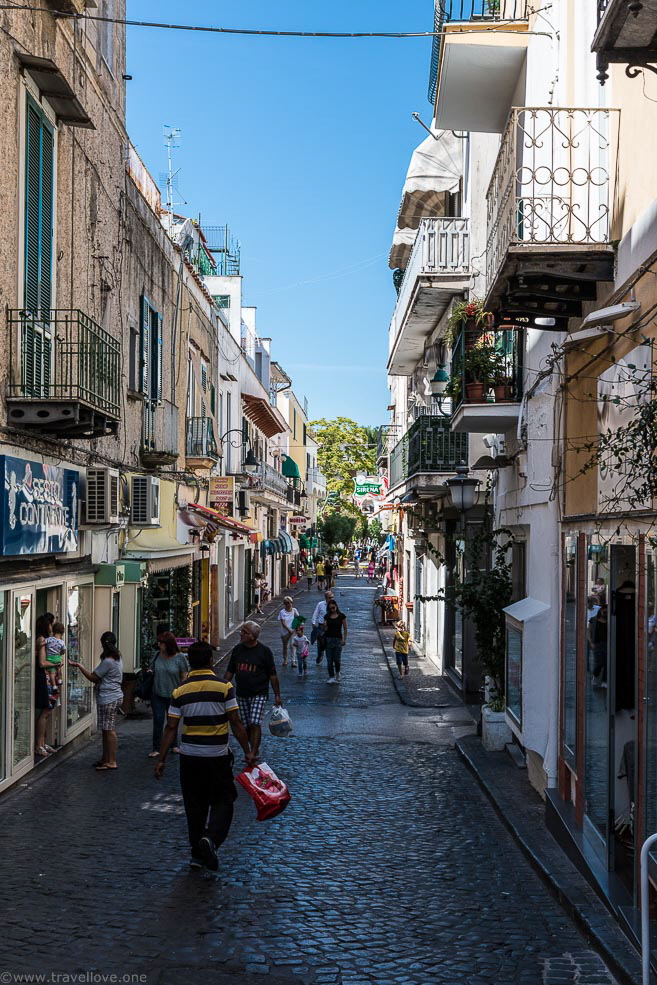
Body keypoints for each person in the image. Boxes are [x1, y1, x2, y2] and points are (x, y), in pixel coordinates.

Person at [155, 640, 255, 871]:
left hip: (190, 757)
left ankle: (197, 855)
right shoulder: (224, 687)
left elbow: (171, 727)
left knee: (194, 806)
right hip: (216, 756)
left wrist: (161, 759)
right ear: (211, 660)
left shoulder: (180, 691)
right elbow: (235, 722)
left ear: (190, 662)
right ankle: (211, 838)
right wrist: (248, 751)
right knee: (224, 800)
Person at [224, 620, 282, 760]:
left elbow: (272, 675)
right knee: (246, 725)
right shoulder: (237, 650)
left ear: (252, 636)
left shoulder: (264, 652)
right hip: (242, 693)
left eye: (244, 632)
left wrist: (277, 695)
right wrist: (222, 688)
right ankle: (251, 749)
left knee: (255, 722)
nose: (241, 634)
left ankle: (254, 753)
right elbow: (230, 671)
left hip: (259, 693)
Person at [69, 631, 124, 770]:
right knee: (106, 729)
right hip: (114, 695)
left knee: (109, 729)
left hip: (108, 698)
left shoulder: (108, 661)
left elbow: (93, 677)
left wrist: (79, 666)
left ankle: (111, 761)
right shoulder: (117, 657)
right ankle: (106, 758)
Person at [148, 631, 189, 758]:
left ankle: (173, 744)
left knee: (172, 721)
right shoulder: (157, 655)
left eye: (161, 643)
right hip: (157, 693)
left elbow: (184, 676)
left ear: (168, 644)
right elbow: (151, 668)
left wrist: (181, 691)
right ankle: (156, 747)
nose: (159, 645)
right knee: (158, 720)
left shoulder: (180, 658)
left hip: (174, 695)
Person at [35, 614, 57, 757]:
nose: (52, 627)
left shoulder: (42, 639)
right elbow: (42, 663)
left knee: (47, 710)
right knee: (46, 710)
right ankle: (39, 744)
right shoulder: (42, 639)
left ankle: (42, 743)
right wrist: (56, 663)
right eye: (50, 624)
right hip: (44, 678)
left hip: (46, 678)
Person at [323, 599, 348, 685]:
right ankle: (331, 676)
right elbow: (325, 630)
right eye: (330, 608)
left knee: (337, 659)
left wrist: (344, 639)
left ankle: (337, 672)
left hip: (338, 640)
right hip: (329, 639)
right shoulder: (326, 616)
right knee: (329, 660)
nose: (332, 610)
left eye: (333, 608)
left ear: (336, 607)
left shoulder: (341, 616)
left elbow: (345, 628)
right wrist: (325, 626)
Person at [312, 590, 333, 665]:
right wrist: (313, 623)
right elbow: (315, 614)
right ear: (326, 598)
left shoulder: (334, 605)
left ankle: (330, 660)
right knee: (321, 644)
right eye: (330, 597)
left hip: (330, 627)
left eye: (332, 597)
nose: (331, 599)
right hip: (321, 627)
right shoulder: (320, 604)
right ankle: (320, 655)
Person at [44, 620, 66, 695]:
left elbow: (42, 643)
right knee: (59, 669)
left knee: (52, 673)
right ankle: (59, 680)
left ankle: (54, 686)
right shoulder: (61, 642)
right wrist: (60, 653)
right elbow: (63, 650)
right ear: (62, 633)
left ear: (53, 631)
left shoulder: (48, 639)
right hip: (57, 657)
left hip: (49, 658)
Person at [278, 596, 299, 667]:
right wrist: (288, 629)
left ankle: (293, 661)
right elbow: (283, 623)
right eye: (287, 603)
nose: (289, 604)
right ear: (284, 604)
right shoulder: (282, 612)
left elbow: (298, 619)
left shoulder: (294, 610)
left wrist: (297, 627)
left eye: (290, 602)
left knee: (292, 645)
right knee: (285, 646)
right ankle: (285, 660)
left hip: (293, 631)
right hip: (285, 631)